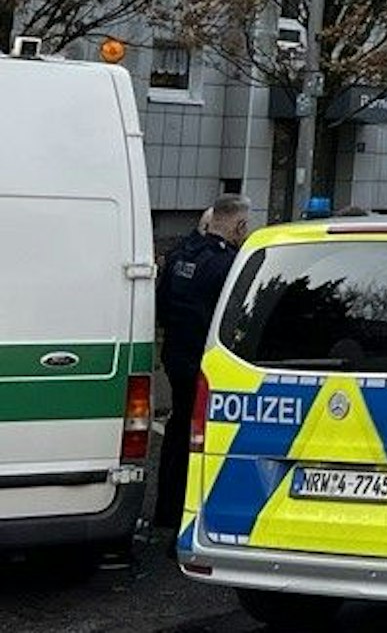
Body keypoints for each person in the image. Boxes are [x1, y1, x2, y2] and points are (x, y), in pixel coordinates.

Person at [155, 194, 253, 529]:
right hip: (208, 362)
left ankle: (166, 511)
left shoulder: (182, 255)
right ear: (240, 225)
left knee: (177, 430)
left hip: (176, 356)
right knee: (202, 439)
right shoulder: (228, 264)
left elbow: (162, 306)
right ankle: (190, 513)